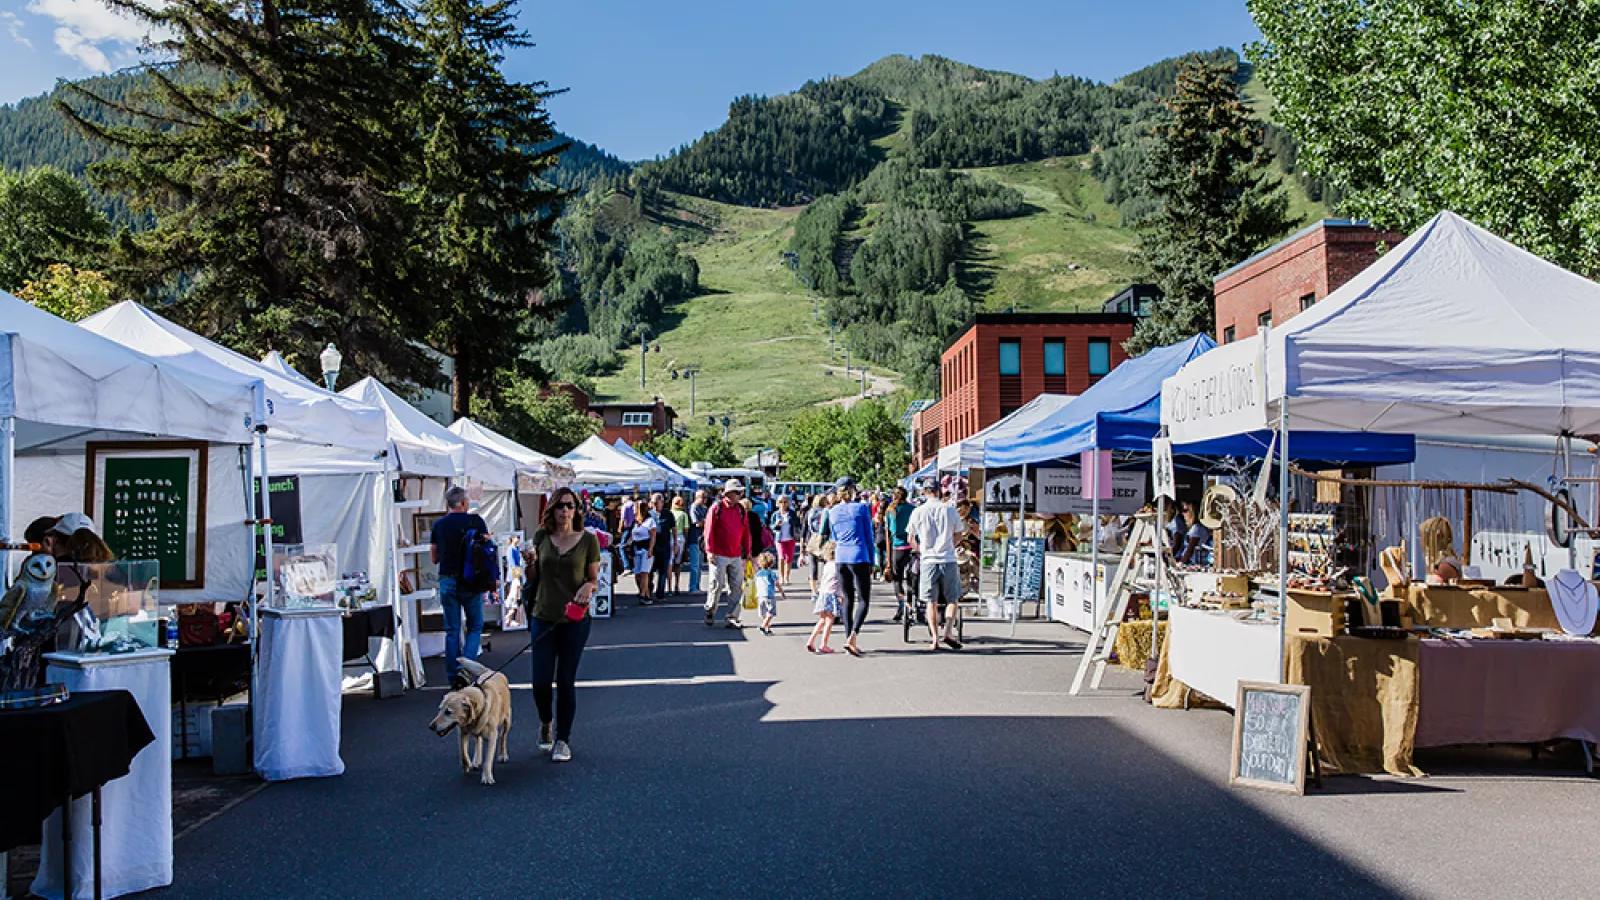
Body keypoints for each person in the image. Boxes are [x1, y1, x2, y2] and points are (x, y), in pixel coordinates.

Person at [525, 486, 600, 763]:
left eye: (570, 506)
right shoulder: (542, 536)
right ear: (552, 510)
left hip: (574, 620)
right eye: (560, 506)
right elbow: (534, 577)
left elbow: (594, 579)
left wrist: (588, 587)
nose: (565, 511)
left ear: (577, 510)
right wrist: (530, 563)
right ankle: (546, 722)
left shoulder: (588, 540)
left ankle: (563, 739)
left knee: (565, 680)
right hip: (543, 615)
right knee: (540, 682)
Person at [430, 486, 490, 682]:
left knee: (452, 629)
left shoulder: (439, 525)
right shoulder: (476, 521)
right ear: (464, 503)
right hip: (471, 580)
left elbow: (433, 557)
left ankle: (452, 675)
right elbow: (487, 549)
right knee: (475, 626)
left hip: (448, 579)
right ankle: (467, 667)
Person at [908, 478, 967, 651]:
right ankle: (948, 631)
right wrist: (950, 545)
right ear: (939, 491)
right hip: (948, 558)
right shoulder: (949, 510)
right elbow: (959, 534)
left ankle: (934, 638)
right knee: (952, 598)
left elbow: (910, 538)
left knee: (930, 602)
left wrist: (921, 550)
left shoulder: (918, 511)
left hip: (928, 560)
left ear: (925, 492)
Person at [827, 476, 876, 657]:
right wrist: (872, 560)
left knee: (847, 599)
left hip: (841, 557)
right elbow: (868, 536)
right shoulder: (861, 508)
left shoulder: (832, 512)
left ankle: (848, 637)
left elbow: (834, 536)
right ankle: (853, 636)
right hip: (859, 554)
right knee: (863, 599)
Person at [703, 479, 752, 628]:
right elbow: (708, 530)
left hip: (736, 554)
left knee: (736, 586)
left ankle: (732, 616)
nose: (739, 495)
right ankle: (710, 610)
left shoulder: (740, 510)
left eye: (740, 492)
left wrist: (747, 552)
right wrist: (709, 551)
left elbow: (745, 532)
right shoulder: (716, 508)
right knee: (717, 584)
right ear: (728, 493)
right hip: (719, 553)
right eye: (737, 492)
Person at [882, 487, 916, 622]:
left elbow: (888, 534)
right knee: (912, 577)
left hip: (897, 548)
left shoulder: (890, 511)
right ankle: (910, 602)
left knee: (897, 579)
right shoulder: (912, 509)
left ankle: (901, 603)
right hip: (911, 547)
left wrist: (888, 559)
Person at [807, 543, 842, 654]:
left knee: (822, 620)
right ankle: (823, 644)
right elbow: (839, 582)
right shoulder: (838, 566)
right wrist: (842, 595)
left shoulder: (827, 565)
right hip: (832, 594)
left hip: (823, 593)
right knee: (829, 620)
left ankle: (811, 640)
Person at [768, 494, 801, 585]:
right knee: (781, 557)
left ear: (788, 503)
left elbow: (797, 523)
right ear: (777, 503)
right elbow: (770, 526)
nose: (783, 504)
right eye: (780, 502)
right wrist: (776, 525)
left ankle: (787, 577)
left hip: (790, 538)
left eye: (785, 502)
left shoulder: (791, 513)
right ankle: (781, 577)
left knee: (789, 558)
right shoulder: (775, 514)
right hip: (780, 539)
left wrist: (790, 520)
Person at [629, 500, 657, 604]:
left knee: (644, 573)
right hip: (636, 549)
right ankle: (645, 593)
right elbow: (632, 535)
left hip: (646, 549)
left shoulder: (650, 521)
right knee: (637, 574)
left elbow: (653, 536)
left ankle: (643, 595)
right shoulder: (636, 522)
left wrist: (650, 549)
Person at [804, 494, 832, 594]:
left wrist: (804, 543)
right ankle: (825, 586)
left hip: (812, 538)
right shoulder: (827, 512)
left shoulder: (809, 512)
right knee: (827, 565)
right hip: (825, 538)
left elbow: (806, 529)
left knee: (813, 566)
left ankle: (813, 590)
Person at [753, 550, 785, 636]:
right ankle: (763, 626)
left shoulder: (758, 574)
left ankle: (767, 628)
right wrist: (782, 592)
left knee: (764, 613)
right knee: (771, 612)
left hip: (760, 595)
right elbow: (777, 584)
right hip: (769, 595)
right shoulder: (771, 573)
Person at [650, 493, 675, 599]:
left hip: (665, 546)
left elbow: (673, 528)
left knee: (663, 571)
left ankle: (660, 593)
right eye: (653, 503)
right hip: (652, 546)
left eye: (657, 503)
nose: (655, 505)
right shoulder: (649, 514)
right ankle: (649, 590)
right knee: (650, 571)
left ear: (662, 502)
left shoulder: (668, 514)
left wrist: (676, 543)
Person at [686, 489, 709, 594]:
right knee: (695, 565)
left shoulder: (704, 508)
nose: (705, 500)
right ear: (697, 497)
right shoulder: (694, 507)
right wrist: (706, 521)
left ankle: (697, 586)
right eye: (703, 497)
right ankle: (692, 587)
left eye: (706, 497)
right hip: (694, 538)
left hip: (701, 539)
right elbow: (697, 523)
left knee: (699, 565)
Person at [503, 534, 526, 629]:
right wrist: (517, 576)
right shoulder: (511, 549)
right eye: (517, 537)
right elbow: (513, 563)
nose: (518, 539)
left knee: (516, 598)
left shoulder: (515, 549)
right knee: (515, 596)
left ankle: (509, 619)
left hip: (517, 573)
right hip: (515, 574)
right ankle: (508, 619)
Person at [670, 495, 691, 595]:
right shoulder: (683, 514)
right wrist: (686, 541)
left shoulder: (670, 513)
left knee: (669, 563)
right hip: (680, 538)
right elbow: (686, 529)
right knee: (678, 563)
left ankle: (669, 585)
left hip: (669, 538)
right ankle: (676, 585)